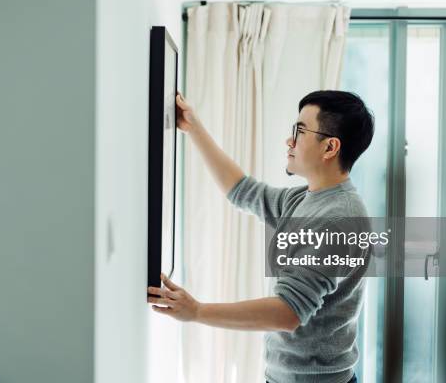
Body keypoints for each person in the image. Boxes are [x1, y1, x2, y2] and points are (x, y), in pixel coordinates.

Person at [148, 90, 375, 383]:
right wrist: (194, 127)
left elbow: (287, 313)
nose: (289, 141)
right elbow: (242, 191)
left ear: (330, 147)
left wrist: (197, 311)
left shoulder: (340, 219)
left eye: (300, 131)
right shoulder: (305, 199)